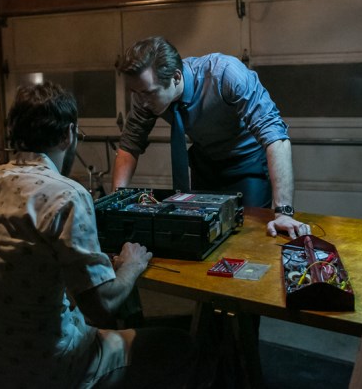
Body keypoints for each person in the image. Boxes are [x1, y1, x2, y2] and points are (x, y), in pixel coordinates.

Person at [0, 82, 197, 388]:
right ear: (68, 133)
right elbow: (102, 306)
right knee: (179, 344)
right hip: (45, 371)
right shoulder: (66, 194)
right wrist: (131, 265)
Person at [113, 36, 309, 238]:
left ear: (176, 77)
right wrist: (114, 203)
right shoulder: (145, 96)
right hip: (205, 165)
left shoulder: (225, 74)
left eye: (148, 93)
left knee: (249, 235)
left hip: (247, 164)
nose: (142, 102)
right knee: (203, 234)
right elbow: (130, 145)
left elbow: (275, 137)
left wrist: (283, 212)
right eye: (136, 93)